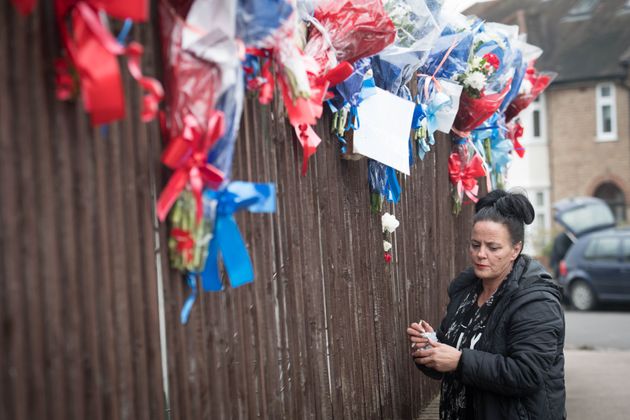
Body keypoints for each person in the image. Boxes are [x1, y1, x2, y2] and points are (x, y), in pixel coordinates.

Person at [407, 189, 566, 420]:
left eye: (493, 248)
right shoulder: (465, 292)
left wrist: (460, 361)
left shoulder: (536, 301)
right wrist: (431, 347)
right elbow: (452, 357)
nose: (481, 254)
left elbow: (528, 374)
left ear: (515, 250)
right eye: (475, 244)